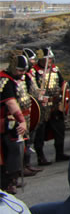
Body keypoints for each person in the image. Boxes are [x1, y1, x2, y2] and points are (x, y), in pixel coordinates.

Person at [29, 48, 69, 165]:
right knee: (40, 132)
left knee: (59, 129)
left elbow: (63, 83)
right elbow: (33, 88)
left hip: (56, 104)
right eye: (48, 59)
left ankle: (59, 153)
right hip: (42, 105)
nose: (50, 61)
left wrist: (63, 93)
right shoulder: (34, 71)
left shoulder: (55, 70)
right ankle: (41, 157)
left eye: (51, 58)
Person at [1, 55, 31, 193]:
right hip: (4, 123)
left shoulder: (11, 79)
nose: (22, 74)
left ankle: (9, 180)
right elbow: (11, 103)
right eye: (19, 70)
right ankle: (7, 182)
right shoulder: (5, 81)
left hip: (8, 121)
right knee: (12, 149)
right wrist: (22, 121)